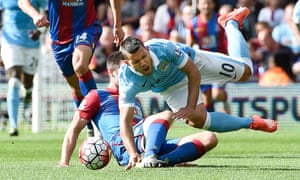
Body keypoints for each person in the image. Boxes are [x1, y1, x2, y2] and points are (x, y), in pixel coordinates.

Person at [118, 7, 278, 169]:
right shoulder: (126, 80)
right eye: (136, 62)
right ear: (127, 63)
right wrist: (132, 153)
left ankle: (230, 22)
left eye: (144, 57)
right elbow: (124, 122)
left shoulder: (163, 49)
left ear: (147, 49)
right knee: (197, 120)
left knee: (245, 72)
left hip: (194, 63)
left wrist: (190, 105)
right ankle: (250, 122)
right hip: (170, 86)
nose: (143, 63)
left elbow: (192, 72)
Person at [58, 51, 218, 170]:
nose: (132, 73)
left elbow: (149, 128)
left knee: (209, 138)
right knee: (167, 114)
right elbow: (73, 130)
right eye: (126, 70)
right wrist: (64, 162)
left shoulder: (133, 98)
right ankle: (149, 158)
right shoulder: (97, 96)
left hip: (144, 142)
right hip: (125, 145)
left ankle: (164, 160)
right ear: (112, 74)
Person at [18, 0, 125, 137]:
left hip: (87, 28)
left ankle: (100, 119)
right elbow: (22, 2)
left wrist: (117, 24)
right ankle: (90, 127)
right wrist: (35, 15)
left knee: (80, 65)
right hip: (59, 39)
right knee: (76, 87)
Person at [0, 0, 47, 136]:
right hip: (10, 42)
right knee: (14, 80)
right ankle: (13, 126)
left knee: (27, 83)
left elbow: (50, 16)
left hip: (31, 43)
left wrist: (39, 32)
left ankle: (27, 95)